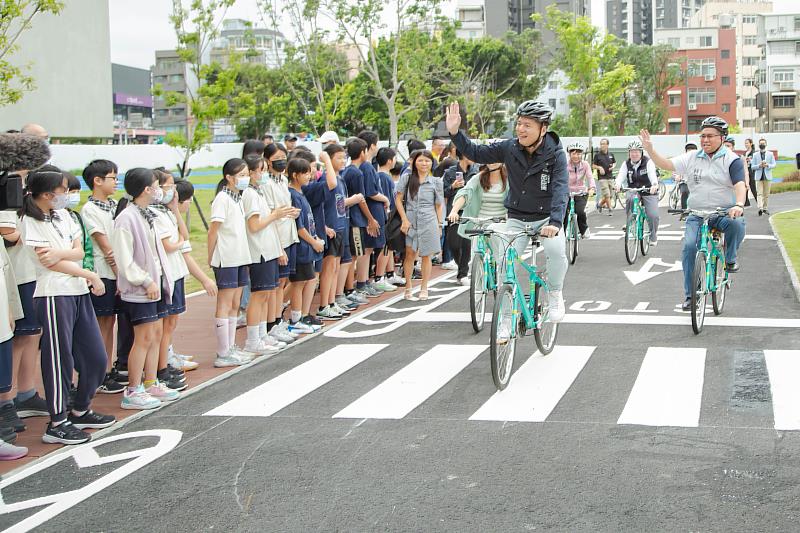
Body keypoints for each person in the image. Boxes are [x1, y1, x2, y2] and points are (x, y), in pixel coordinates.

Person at [446, 100, 568, 322]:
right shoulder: (510, 148)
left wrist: (556, 223)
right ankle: (504, 319)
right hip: (516, 218)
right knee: (504, 266)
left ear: (543, 128)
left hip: (547, 219)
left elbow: (560, 189)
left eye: (527, 125)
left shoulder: (556, 154)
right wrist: (455, 132)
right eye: (519, 123)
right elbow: (477, 152)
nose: (521, 129)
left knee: (557, 252)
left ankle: (555, 293)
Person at [22, 167, 115, 443]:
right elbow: (46, 261)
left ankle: (80, 409)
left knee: (96, 358)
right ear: (49, 194)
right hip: (52, 294)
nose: (68, 195)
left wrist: (67, 256)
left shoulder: (65, 216)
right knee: (58, 359)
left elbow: (77, 249)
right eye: (64, 190)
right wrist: (87, 272)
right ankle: (57, 422)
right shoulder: (30, 221)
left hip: (75, 290)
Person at [640, 117, 746, 311]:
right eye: (702, 136)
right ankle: (691, 295)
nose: (705, 140)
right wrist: (650, 150)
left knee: (737, 225)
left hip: (722, 212)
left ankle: (730, 258)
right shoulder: (692, 157)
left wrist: (738, 204)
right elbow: (666, 164)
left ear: (722, 138)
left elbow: (740, 184)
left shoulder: (732, 159)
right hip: (696, 214)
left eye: (710, 136)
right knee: (689, 248)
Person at [113, 168, 180, 409]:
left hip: (156, 284)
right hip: (140, 288)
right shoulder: (126, 218)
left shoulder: (146, 213)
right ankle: (133, 389)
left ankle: (151, 382)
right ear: (146, 189)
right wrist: (145, 280)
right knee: (142, 338)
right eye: (156, 185)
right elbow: (124, 259)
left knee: (154, 336)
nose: (160, 190)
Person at [80, 160, 127, 392]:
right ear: (97, 181)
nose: (116, 182)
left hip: (116, 273)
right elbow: (106, 247)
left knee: (110, 322)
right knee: (101, 325)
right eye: (112, 177)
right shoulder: (90, 210)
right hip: (104, 274)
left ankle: (107, 370)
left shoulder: (115, 205)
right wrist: (121, 275)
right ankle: (98, 373)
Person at [207, 159, 255, 367]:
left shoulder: (237, 198)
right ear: (229, 177)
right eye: (241, 175)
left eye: (246, 174)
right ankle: (222, 352)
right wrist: (211, 256)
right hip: (226, 258)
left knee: (236, 303)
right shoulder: (222, 199)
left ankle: (231, 347)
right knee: (225, 303)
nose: (245, 178)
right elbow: (213, 230)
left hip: (240, 256)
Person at [240, 155, 289, 356]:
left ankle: (261, 335)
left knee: (266, 294)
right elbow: (254, 225)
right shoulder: (249, 194)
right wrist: (274, 215)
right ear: (251, 173)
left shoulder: (258, 192)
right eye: (260, 170)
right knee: (259, 295)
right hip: (258, 251)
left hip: (267, 250)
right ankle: (253, 339)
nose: (264, 174)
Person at [148, 170, 191, 391]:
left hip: (176, 271)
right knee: (164, 324)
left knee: (171, 322)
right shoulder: (153, 214)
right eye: (168, 186)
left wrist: (175, 209)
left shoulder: (167, 212)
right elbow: (169, 245)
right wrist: (179, 241)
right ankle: (160, 369)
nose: (173, 190)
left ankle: (163, 364)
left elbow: (184, 237)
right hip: (166, 273)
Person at [262, 143, 301, 344]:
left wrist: (292, 212)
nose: (282, 160)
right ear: (267, 160)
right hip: (276, 238)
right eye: (277, 157)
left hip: (289, 235)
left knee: (283, 282)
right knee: (274, 285)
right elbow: (271, 214)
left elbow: (284, 208)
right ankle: (271, 324)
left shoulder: (283, 180)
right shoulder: (266, 184)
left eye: (284, 156)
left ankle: (277, 321)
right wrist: (277, 247)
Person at [446, 163, 509, 280]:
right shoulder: (479, 178)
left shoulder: (508, 178)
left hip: (500, 223)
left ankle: (503, 286)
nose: (492, 162)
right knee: (477, 255)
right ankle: (478, 288)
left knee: (501, 258)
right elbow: (465, 193)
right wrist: (454, 211)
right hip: (479, 222)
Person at [395, 150, 444, 301]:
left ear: (432, 163)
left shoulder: (436, 182)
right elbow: (398, 199)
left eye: (427, 161)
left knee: (426, 255)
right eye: (421, 160)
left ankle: (424, 287)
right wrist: (404, 219)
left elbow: (438, 206)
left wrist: (439, 224)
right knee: (409, 254)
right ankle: (408, 286)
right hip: (410, 219)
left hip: (429, 220)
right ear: (414, 162)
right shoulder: (407, 178)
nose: (424, 164)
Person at [287, 158, 326, 333]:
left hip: (308, 245)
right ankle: (295, 319)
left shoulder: (301, 194)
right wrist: (313, 242)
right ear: (295, 175)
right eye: (306, 173)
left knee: (304, 280)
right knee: (299, 283)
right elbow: (300, 228)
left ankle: (298, 317)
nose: (309, 176)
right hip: (302, 247)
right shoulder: (293, 195)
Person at [357, 131, 391, 295]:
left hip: (372, 210)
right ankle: (362, 282)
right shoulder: (367, 167)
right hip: (372, 211)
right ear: (370, 146)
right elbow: (371, 192)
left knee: (369, 249)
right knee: (367, 249)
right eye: (376, 144)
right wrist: (385, 198)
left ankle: (365, 281)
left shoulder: (367, 166)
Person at [614, 140, 660, 246]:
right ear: (629, 153)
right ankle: (630, 223)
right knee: (630, 198)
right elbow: (621, 176)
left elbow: (652, 174)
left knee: (653, 215)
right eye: (632, 152)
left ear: (641, 152)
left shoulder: (648, 162)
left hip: (649, 190)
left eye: (637, 151)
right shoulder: (626, 164)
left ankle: (653, 235)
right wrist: (617, 184)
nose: (634, 154)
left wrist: (654, 185)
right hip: (634, 189)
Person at [442, 151, 479, 283]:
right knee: (453, 243)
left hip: (470, 211)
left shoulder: (476, 171)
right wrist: (452, 186)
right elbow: (442, 192)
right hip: (454, 211)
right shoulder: (450, 172)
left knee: (466, 242)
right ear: (463, 155)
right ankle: (461, 266)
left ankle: (462, 274)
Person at [374, 147, 405, 288]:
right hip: (387, 217)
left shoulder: (383, 176)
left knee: (390, 247)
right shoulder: (384, 177)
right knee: (386, 247)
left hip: (388, 216)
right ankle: (379, 277)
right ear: (389, 161)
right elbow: (387, 199)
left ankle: (390, 273)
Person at [565, 143, 595, 238]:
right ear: (569, 154)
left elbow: (590, 177)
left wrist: (592, 188)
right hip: (566, 192)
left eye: (578, 154)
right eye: (573, 154)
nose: (576, 156)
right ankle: (563, 231)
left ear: (582, 154)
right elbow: (559, 177)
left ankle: (584, 230)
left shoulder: (585, 165)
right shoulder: (564, 165)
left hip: (580, 192)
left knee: (580, 211)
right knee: (563, 213)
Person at [723, 137, 752, 208]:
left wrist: (747, 183)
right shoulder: (719, 158)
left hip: (737, 186)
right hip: (724, 187)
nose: (726, 148)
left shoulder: (739, 158)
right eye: (725, 146)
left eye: (728, 146)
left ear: (733, 147)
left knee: (737, 206)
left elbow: (745, 171)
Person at [750, 138, 776, 216]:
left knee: (766, 194)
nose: (762, 145)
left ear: (766, 144)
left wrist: (768, 165)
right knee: (759, 193)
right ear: (759, 145)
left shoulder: (770, 154)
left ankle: (765, 208)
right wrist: (759, 166)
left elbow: (774, 164)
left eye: (763, 143)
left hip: (767, 177)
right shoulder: (755, 155)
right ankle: (760, 208)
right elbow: (752, 166)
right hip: (758, 177)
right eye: (761, 143)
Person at [592, 138, 616, 215]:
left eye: (603, 144)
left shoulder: (611, 155)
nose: (602, 145)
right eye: (601, 144)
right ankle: (610, 209)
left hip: (610, 177)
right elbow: (593, 165)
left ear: (607, 145)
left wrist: (613, 166)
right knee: (607, 194)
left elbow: (614, 163)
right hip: (602, 178)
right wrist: (599, 168)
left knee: (611, 195)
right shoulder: (597, 155)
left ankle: (600, 205)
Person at [743, 138, 758, 207]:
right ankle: (746, 203)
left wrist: (750, 160)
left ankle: (759, 203)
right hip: (745, 171)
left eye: (747, 143)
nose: (746, 144)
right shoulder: (745, 153)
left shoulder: (754, 153)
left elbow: (756, 162)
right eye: (745, 143)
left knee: (753, 188)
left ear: (751, 144)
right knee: (745, 186)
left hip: (752, 172)